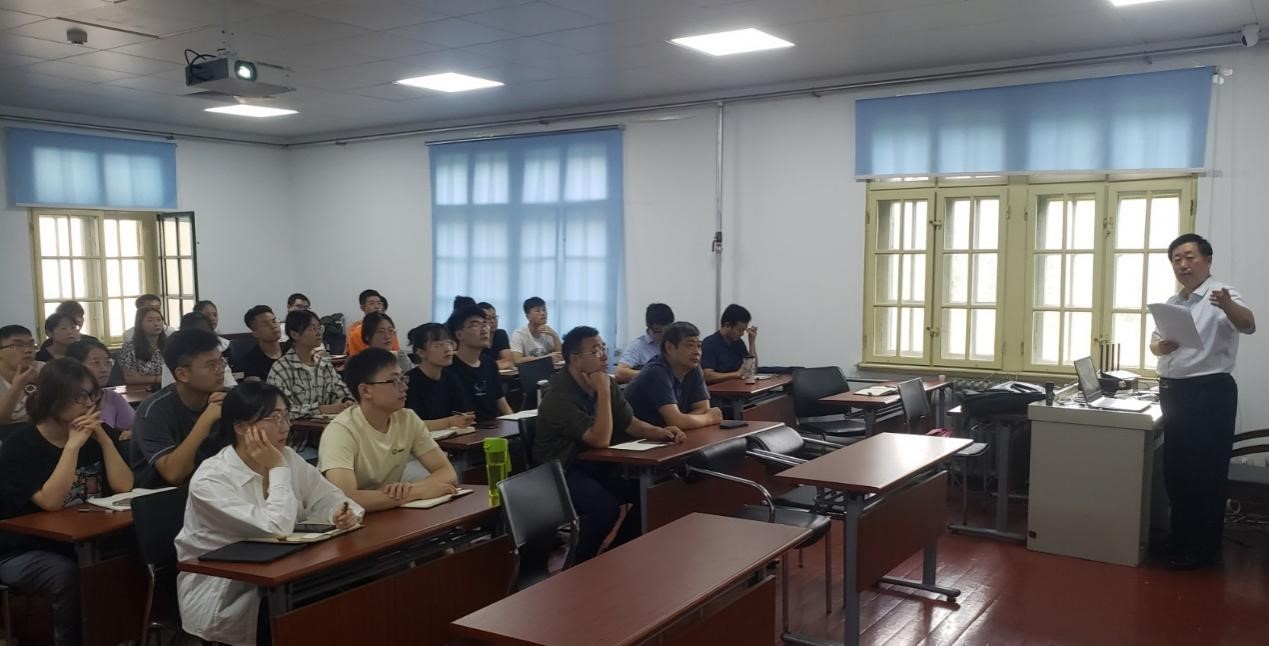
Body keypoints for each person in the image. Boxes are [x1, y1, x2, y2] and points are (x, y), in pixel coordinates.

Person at [176, 382, 363, 646]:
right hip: (227, 590)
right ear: (241, 427)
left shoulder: (287, 457)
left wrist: (339, 514)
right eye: (274, 418)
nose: (285, 426)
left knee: (352, 588)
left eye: (286, 416)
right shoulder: (211, 479)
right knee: (310, 608)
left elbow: (331, 498)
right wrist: (277, 468)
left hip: (285, 573)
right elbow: (277, 527)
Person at [0, 359, 133, 646]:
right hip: (22, 550)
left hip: (85, 539)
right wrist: (72, 446)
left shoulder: (96, 435)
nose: (89, 404)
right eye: (79, 397)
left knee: (132, 553)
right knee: (67, 574)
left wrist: (104, 439)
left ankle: (123, 634)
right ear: (52, 400)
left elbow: (124, 485)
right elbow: (51, 502)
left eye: (92, 394)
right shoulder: (20, 447)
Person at [1149, 233, 1255, 569]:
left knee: (1205, 474)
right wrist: (1161, 347)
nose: (1182, 264)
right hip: (1175, 392)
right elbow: (1155, 344)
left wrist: (1227, 305)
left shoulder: (1221, 294)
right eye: (1176, 259)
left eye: (1189, 257)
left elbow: (1248, 324)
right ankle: (1179, 540)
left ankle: (1202, 550)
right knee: (1177, 473)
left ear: (1207, 260)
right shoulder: (1173, 301)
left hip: (1208, 392)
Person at [535, 326, 684, 562]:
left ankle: (615, 556)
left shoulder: (605, 382)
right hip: (561, 471)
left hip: (595, 465)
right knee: (605, 510)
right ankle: (578, 567)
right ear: (575, 359)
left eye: (603, 348)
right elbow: (600, 439)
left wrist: (661, 432)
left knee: (652, 492)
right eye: (595, 351)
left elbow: (630, 423)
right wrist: (603, 391)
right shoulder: (556, 396)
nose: (604, 356)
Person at [319, 349, 460, 512]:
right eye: (393, 381)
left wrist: (413, 489)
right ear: (365, 391)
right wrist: (417, 492)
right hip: (343, 520)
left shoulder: (407, 419)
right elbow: (346, 498)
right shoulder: (340, 431)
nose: (404, 387)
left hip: (387, 510)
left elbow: (448, 473)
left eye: (403, 378)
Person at [129, 329, 231, 488]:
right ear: (183, 374)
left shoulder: (226, 399)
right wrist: (207, 419)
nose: (220, 369)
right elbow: (174, 474)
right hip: (162, 496)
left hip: (216, 489)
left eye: (221, 361)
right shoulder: (152, 411)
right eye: (211, 365)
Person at [624, 321, 724, 429]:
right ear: (669, 347)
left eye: (699, 346)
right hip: (636, 437)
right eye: (690, 345)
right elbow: (677, 422)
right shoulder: (656, 371)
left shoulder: (693, 368)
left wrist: (684, 421)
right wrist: (709, 418)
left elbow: (703, 409)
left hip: (667, 434)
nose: (697, 352)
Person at [268, 310, 354, 420]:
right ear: (294, 334)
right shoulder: (280, 369)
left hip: (328, 426)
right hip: (296, 429)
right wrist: (321, 409)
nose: (318, 333)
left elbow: (343, 393)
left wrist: (347, 401)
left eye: (319, 328)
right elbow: (281, 411)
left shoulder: (324, 364)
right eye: (312, 329)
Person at [446, 305, 512, 423]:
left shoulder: (489, 363)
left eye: (485, 323)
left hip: (495, 428)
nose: (484, 329)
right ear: (459, 334)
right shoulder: (449, 368)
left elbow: (502, 404)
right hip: (466, 430)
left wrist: (518, 425)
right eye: (475, 324)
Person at [405, 323, 475, 430]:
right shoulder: (409, 381)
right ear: (421, 352)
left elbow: (463, 412)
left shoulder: (451, 377)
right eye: (438, 345)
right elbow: (411, 425)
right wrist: (449, 422)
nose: (447, 349)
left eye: (449, 343)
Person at [66, 339, 134, 438]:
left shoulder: (112, 397)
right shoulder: (62, 401)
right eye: (95, 363)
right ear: (75, 366)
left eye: (107, 363)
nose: (104, 369)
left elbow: (137, 427)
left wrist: (132, 433)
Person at [160, 312, 237, 389]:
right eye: (211, 365)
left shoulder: (216, 357)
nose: (221, 370)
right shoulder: (177, 358)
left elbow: (231, 386)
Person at [615, 303, 675, 384]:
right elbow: (620, 373)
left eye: (667, 330)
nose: (663, 335)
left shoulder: (674, 343)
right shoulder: (637, 346)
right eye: (658, 331)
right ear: (648, 326)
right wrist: (652, 374)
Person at [701, 304, 759, 384]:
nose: (742, 334)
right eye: (739, 330)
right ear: (727, 325)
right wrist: (737, 374)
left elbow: (752, 370)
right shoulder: (709, 343)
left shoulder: (738, 343)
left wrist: (752, 342)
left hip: (738, 388)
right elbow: (707, 376)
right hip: (719, 390)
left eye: (744, 330)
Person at [0, 325, 42, 425]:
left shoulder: (45, 370)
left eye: (31, 345)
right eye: (17, 345)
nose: (28, 350)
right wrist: (16, 388)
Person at [119, 307, 167, 387]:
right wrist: (158, 379)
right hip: (140, 390)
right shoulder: (129, 347)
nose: (156, 324)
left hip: (167, 387)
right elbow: (130, 378)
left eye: (159, 320)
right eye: (150, 320)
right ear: (140, 324)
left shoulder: (169, 344)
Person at [510, 296, 562, 364]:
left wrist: (555, 336)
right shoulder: (519, 334)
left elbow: (559, 357)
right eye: (538, 311)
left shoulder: (548, 332)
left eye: (544, 310)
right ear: (528, 317)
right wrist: (546, 358)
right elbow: (517, 360)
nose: (543, 313)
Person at [240, 305, 284, 382]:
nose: (273, 326)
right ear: (255, 333)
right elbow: (255, 387)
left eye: (274, 321)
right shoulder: (251, 360)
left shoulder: (291, 348)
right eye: (266, 324)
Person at [346, 289, 396, 357]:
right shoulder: (357, 333)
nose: (377, 306)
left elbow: (396, 352)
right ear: (362, 307)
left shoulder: (389, 326)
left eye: (379, 303)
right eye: (372, 303)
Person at [478, 302, 513, 370]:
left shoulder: (500, 334)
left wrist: (487, 366)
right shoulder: (475, 338)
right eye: (488, 318)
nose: (493, 321)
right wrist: (499, 364)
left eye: (494, 317)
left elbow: (508, 361)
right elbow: (477, 365)